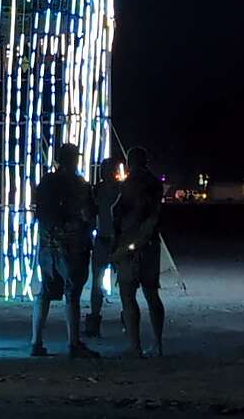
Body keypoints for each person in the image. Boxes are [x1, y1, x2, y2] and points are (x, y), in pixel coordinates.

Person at [31, 143, 98, 358]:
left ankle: (36, 342)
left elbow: (38, 210)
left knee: (44, 293)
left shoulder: (46, 182)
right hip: (72, 246)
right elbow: (88, 214)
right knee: (72, 294)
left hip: (46, 244)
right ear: (74, 160)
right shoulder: (79, 185)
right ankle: (73, 342)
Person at [111, 146, 165, 357]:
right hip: (150, 245)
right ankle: (157, 343)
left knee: (128, 295)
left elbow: (120, 212)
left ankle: (135, 346)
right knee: (152, 294)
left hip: (130, 244)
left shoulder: (129, 185)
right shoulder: (154, 184)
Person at [84, 157, 123, 337]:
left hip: (108, 238)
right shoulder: (116, 190)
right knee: (114, 281)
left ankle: (95, 319)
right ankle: (125, 320)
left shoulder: (99, 190)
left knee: (100, 281)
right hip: (109, 238)